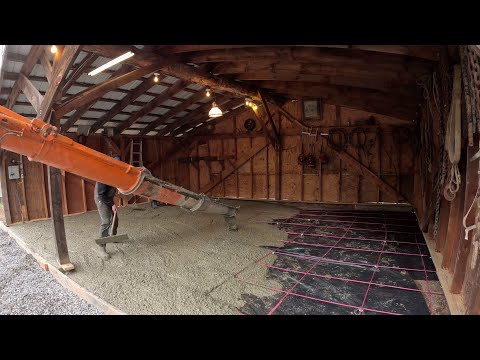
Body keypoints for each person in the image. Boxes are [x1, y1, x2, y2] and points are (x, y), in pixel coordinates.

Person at [93, 154, 121, 259]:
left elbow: (110, 191)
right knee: (106, 221)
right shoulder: (103, 173)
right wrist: (112, 204)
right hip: (101, 199)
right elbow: (101, 194)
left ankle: (113, 236)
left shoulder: (116, 173)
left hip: (108, 197)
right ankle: (102, 248)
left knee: (115, 218)